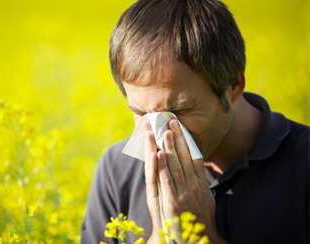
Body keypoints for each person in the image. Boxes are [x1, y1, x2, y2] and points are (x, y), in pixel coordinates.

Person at [80, 0, 309, 243]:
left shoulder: (303, 164)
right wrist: (161, 236)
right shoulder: (116, 170)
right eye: (140, 113)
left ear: (233, 85)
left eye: (180, 109)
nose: (161, 135)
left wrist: (201, 235)